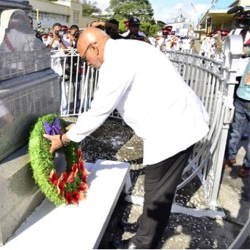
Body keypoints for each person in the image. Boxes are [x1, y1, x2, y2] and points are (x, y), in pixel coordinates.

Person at [43, 27, 209, 249]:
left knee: (157, 190)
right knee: (157, 189)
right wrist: (80, 125)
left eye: (84, 57)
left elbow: (101, 108)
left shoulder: (115, 63)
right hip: (174, 121)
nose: (86, 63)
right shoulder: (127, 47)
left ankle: (142, 243)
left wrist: (66, 138)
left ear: (94, 47)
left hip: (173, 129)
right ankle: (145, 226)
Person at [222, 44, 250, 178]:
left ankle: (245, 165)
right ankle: (231, 157)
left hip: (243, 95)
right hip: (242, 95)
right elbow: (242, 50)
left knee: (236, 131)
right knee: (235, 130)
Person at [43, 23, 69, 115]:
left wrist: (60, 41)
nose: (59, 32)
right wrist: (54, 39)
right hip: (50, 71)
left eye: (60, 30)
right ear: (52, 31)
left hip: (61, 71)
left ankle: (64, 112)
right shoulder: (47, 40)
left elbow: (67, 52)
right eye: (57, 30)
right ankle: (52, 111)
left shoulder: (64, 40)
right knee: (51, 94)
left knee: (62, 93)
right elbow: (46, 50)